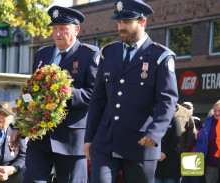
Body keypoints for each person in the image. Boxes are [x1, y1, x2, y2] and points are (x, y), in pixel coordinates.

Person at [83, 0, 178, 182]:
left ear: (142, 22)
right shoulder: (108, 53)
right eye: (119, 22)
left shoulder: (160, 56)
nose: (121, 26)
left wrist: (155, 132)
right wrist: (89, 138)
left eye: (127, 22)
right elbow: (98, 100)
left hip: (141, 143)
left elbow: (167, 100)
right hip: (105, 142)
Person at [11, 5, 99, 183]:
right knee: (32, 179)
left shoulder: (89, 55)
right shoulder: (42, 54)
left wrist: (62, 94)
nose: (58, 33)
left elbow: (94, 94)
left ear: (76, 30)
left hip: (71, 139)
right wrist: (19, 126)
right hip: (41, 136)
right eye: (55, 28)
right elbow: (31, 92)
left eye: (63, 29)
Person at [195, 100, 220, 183]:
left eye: (219, 111)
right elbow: (200, 141)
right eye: (215, 111)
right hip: (210, 163)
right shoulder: (209, 123)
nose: (216, 113)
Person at [155, 116, 181, 183]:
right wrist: (157, 152)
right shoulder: (154, 119)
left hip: (171, 158)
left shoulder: (174, 120)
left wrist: (164, 152)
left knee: (169, 179)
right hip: (156, 158)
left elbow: (176, 137)